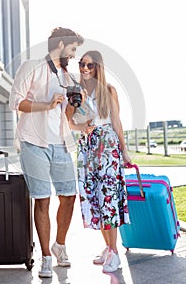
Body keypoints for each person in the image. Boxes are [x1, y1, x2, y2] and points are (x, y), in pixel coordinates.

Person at [9, 27, 84, 278]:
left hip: (61, 143)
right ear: (61, 44)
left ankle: (59, 245)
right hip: (34, 143)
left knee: (69, 196)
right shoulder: (31, 67)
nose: (73, 55)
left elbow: (65, 116)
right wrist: (46, 104)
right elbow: (16, 102)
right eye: (72, 49)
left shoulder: (67, 77)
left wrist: (75, 104)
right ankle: (46, 257)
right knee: (43, 199)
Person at [66, 50, 131, 274]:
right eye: (82, 64)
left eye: (90, 65)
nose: (84, 68)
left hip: (107, 149)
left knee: (109, 200)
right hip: (87, 150)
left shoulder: (109, 90)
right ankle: (108, 248)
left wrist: (125, 151)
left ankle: (114, 252)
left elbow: (116, 122)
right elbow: (69, 122)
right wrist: (82, 126)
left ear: (98, 68)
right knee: (95, 200)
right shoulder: (76, 92)